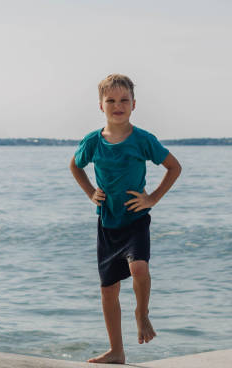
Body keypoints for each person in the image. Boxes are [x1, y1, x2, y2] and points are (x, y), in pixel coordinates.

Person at [69, 74, 182, 364]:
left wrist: (152, 198)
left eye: (124, 100)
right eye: (111, 100)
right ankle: (116, 351)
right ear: (100, 105)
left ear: (134, 104)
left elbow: (173, 167)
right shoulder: (93, 141)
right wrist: (90, 192)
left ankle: (141, 313)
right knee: (108, 290)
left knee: (140, 270)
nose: (117, 105)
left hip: (135, 218)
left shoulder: (143, 139)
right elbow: (75, 165)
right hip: (107, 222)